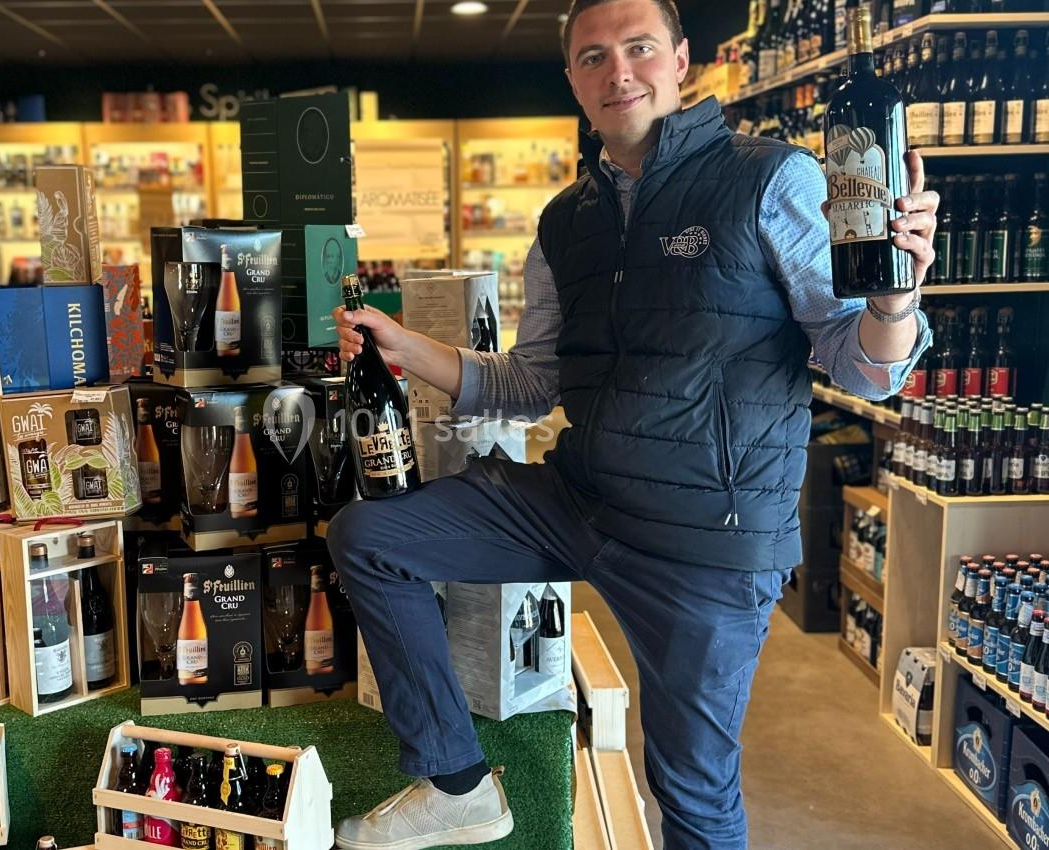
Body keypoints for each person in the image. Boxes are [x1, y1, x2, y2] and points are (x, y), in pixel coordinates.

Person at [325, 0, 938, 847]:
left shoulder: (769, 178)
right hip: (583, 502)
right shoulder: (564, 221)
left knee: (690, 790)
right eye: (593, 56)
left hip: (707, 542)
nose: (619, 71)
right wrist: (401, 346)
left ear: (681, 60)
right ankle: (458, 783)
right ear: (573, 80)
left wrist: (897, 298)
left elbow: (863, 361)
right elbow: (531, 381)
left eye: (639, 48)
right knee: (370, 536)